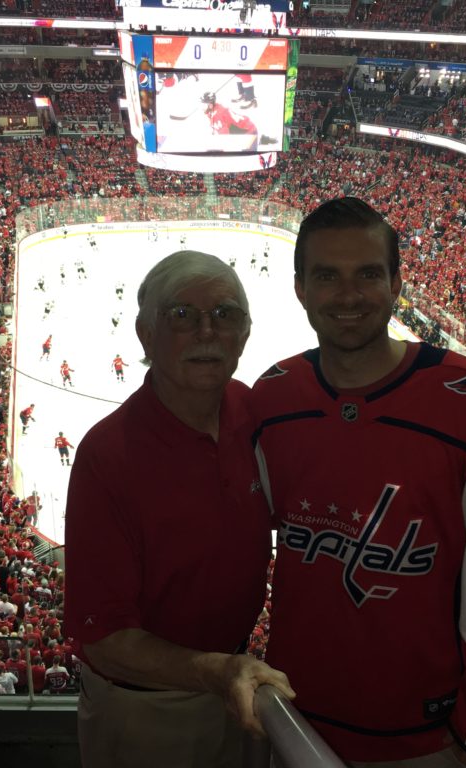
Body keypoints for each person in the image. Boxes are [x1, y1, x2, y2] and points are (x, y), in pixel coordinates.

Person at [251, 197, 466, 765]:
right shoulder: (272, 397)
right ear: (300, 288)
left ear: (397, 283)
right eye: (327, 276)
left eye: (367, 274)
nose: (348, 295)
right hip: (294, 720)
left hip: (426, 740)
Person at [65, 250, 293, 768]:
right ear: (146, 335)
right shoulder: (108, 455)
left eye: (225, 314)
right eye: (182, 315)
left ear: (246, 333)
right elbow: (102, 639)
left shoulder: (254, 414)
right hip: (148, 707)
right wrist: (216, 671)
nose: (207, 331)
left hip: (236, 684)